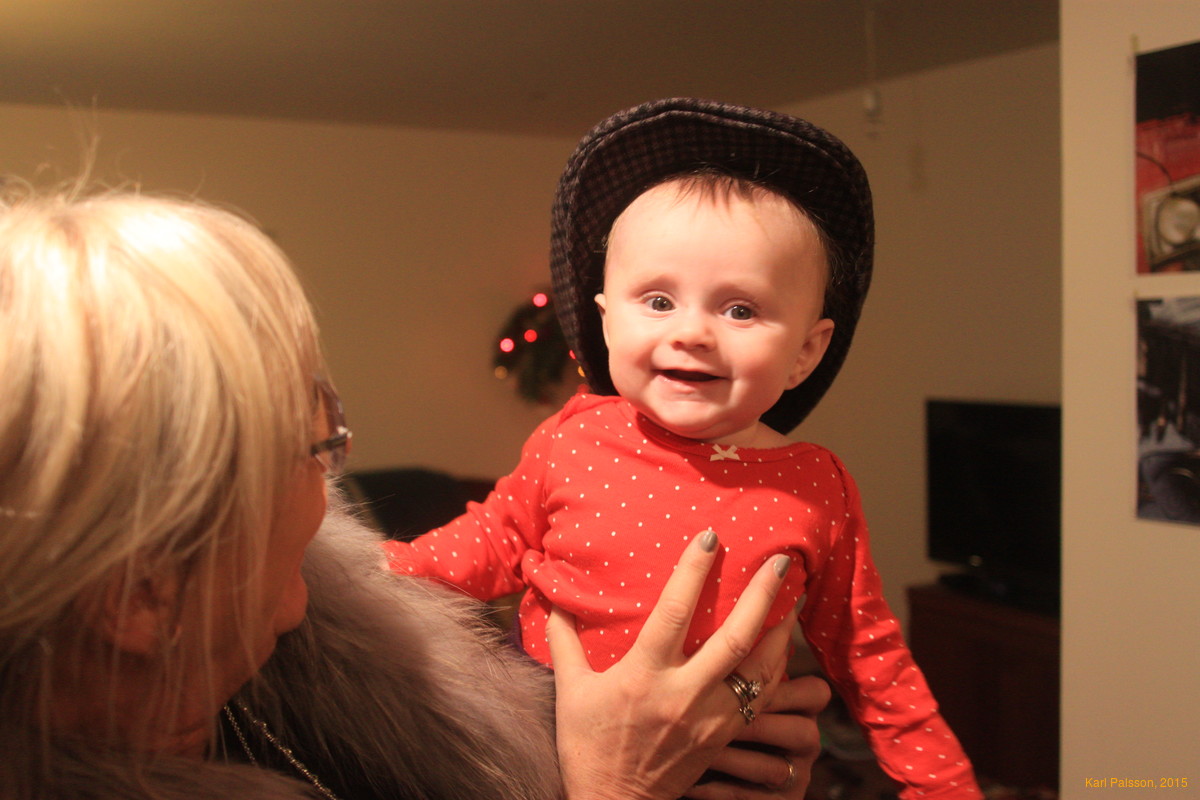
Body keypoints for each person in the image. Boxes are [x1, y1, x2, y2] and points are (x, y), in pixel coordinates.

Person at [0, 182, 831, 799]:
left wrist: (700, 753)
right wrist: (620, 788)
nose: (337, 458)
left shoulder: (353, 653)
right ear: (142, 595)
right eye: (311, 440)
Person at [385, 99, 981, 798]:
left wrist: (942, 785)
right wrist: (371, 574)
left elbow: (868, 651)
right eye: (659, 301)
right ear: (606, 322)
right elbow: (492, 539)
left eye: (740, 309)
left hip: (734, 764)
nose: (692, 332)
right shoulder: (574, 437)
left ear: (805, 352)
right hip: (545, 744)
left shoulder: (815, 485)